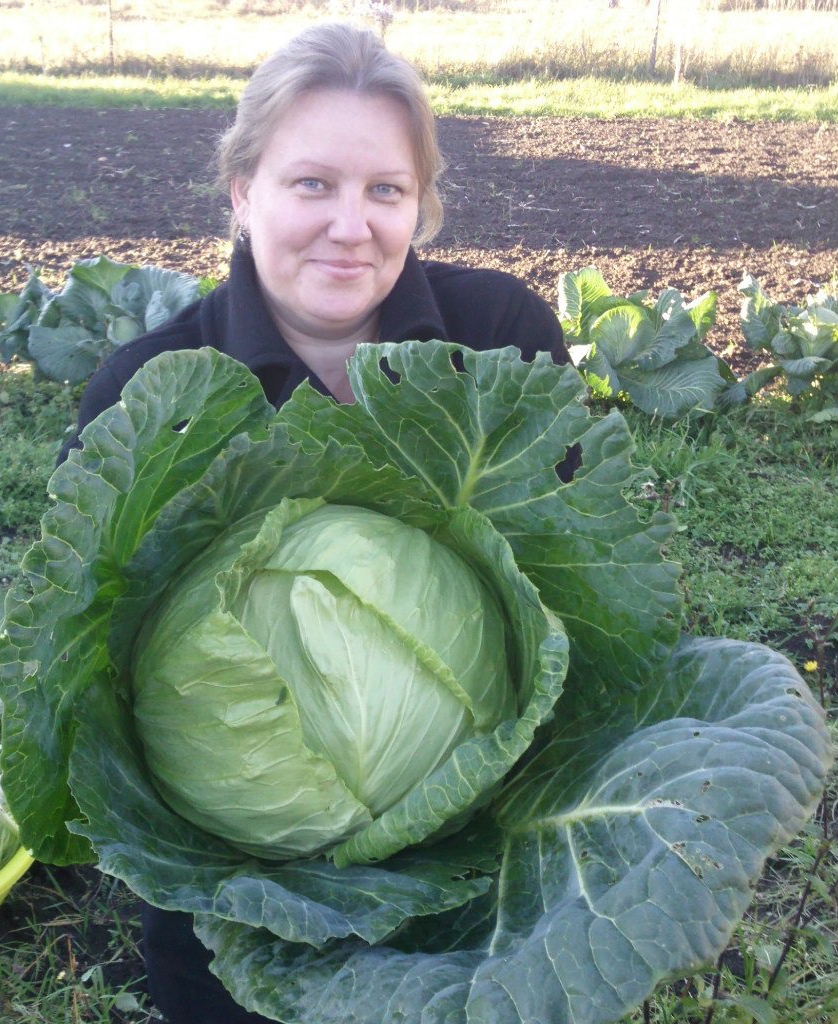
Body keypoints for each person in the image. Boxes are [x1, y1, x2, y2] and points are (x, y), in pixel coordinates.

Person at [59, 21, 577, 1024]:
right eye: (311, 185)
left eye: (386, 190)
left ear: (419, 204)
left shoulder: (497, 343)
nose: (352, 225)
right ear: (241, 191)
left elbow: (569, 599)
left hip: (483, 842)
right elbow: (80, 656)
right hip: (235, 881)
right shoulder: (153, 394)